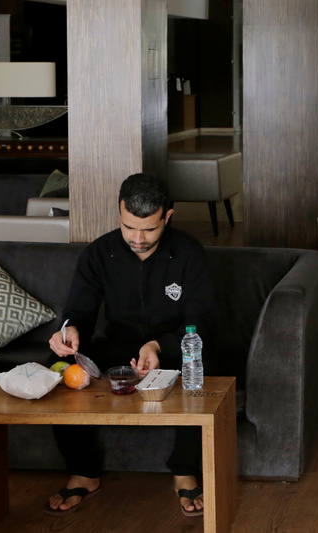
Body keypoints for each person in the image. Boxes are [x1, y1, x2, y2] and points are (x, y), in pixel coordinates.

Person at [46, 173, 214, 517]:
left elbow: (201, 322)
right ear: (119, 213)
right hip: (117, 348)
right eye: (128, 227)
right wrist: (69, 330)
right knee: (58, 370)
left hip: (172, 348)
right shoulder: (98, 253)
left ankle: (184, 472)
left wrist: (158, 345)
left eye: (149, 229)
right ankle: (84, 471)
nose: (137, 239)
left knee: (203, 366)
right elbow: (79, 311)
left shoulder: (189, 254)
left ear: (167, 217)